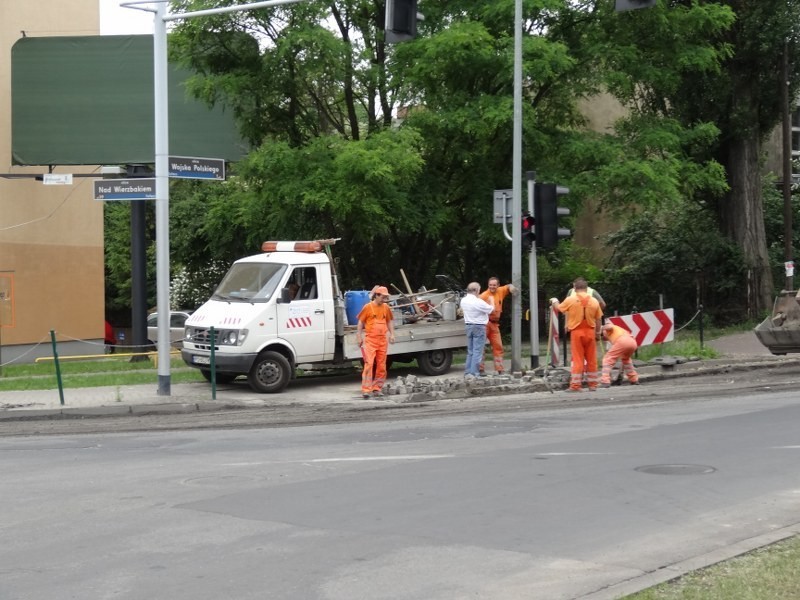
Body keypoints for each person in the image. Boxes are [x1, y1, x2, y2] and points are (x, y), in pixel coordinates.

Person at [550, 277, 603, 392]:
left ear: (574, 288)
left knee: (578, 359)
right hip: (590, 331)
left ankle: (575, 386)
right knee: (591, 358)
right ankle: (593, 384)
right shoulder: (594, 301)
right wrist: (598, 333)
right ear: (586, 288)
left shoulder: (571, 299)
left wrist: (554, 301)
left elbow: (559, 308)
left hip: (577, 332)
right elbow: (599, 319)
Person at [355, 286, 396, 398]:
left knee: (382, 366)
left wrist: (392, 334)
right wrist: (359, 336)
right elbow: (360, 322)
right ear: (377, 295)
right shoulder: (368, 307)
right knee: (369, 364)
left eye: (386, 297)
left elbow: (389, 321)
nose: (385, 299)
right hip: (371, 341)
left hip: (382, 340)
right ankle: (366, 390)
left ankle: (377, 388)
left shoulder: (386, 307)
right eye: (383, 296)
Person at [479, 277, 517, 375]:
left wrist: (511, 287)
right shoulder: (483, 295)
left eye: (494, 285)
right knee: (481, 347)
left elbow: (507, 286)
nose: (492, 287)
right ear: (488, 285)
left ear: (498, 285)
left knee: (498, 346)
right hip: (485, 323)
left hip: (495, 324)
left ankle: (499, 369)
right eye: (490, 285)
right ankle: (480, 369)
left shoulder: (500, 291)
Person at [461, 282, 494, 378]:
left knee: (470, 351)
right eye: (479, 290)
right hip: (479, 326)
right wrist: (491, 300)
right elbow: (490, 310)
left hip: (468, 326)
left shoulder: (463, 300)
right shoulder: (477, 301)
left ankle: (467, 372)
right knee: (477, 351)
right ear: (476, 290)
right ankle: (474, 373)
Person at [599, 322, 639, 387]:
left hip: (622, 341)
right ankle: (634, 379)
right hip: (632, 342)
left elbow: (609, 327)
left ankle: (605, 381)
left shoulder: (608, 328)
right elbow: (606, 338)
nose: (602, 337)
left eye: (601, 335)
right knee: (626, 360)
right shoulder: (619, 329)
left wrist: (600, 329)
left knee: (607, 359)